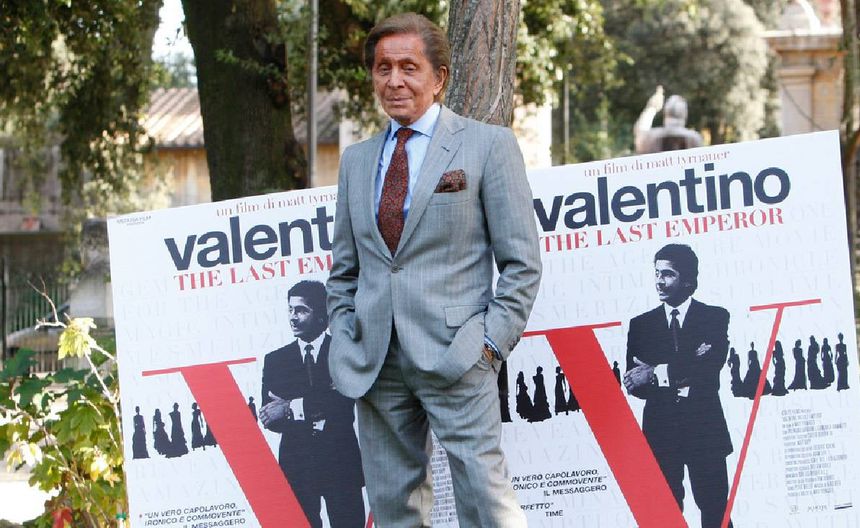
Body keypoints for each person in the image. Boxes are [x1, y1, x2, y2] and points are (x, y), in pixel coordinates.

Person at [326, 12, 542, 527]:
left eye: (409, 67)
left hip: (459, 355)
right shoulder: (357, 161)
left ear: (439, 77)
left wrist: (489, 345)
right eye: (383, 68)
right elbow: (345, 270)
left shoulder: (487, 146)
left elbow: (522, 263)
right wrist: (346, 333)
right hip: (376, 362)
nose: (394, 80)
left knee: (487, 504)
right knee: (394, 509)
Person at [623, 244, 733, 528]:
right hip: (661, 433)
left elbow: (710, 368)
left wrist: (655, 373)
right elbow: (635, 384)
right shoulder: (641, 325)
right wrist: (688, 364)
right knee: (663, 517)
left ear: (688, 280)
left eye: (668, 274)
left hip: (705, 431)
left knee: (716, 513)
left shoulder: (714, 317)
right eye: (657, 273)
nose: (659, 281)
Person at [259, 280, 364, 528]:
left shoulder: (343, 351)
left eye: (301, 310)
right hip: (297, 466)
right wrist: (323, 400)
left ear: (320, 314)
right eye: (290, 309)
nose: (293, 317)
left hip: (340, 463)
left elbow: (344, 402)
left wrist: (290, 408)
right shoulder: (276, 360)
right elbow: (269, 418)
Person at [634, 86, 704, 154]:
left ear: (665, 113)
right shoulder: (694, 139)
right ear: (685, 115)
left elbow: (640, 135)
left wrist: (652, 108)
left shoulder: (650, 138)